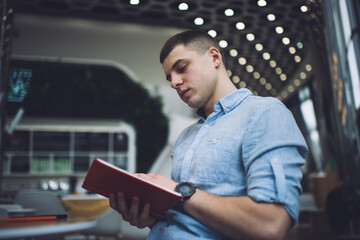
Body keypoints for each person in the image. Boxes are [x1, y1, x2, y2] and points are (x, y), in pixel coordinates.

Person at [109, 29, 308, 240]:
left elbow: (271, 225)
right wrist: (153, 219)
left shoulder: (264, 113)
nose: (174, 82)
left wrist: (178, 190)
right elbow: (189, 216)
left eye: (182, 68)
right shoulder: (185, 137)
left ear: (214, 57)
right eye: (170, 77)